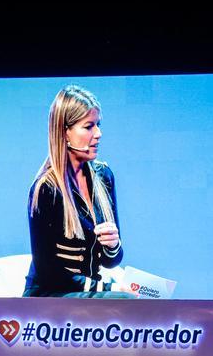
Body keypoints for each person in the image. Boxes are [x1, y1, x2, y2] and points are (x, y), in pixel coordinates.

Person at [24, 85, 136, 298]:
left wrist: (113, 245)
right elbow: (48, 272)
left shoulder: (104, 177)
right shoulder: (45, 189)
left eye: (98, 125)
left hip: (84, 296)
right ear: (64, 132)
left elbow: (112, 260)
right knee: (125, 301)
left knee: (153, 298)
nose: (98, 134)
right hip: (50, 295)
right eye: (88, 127)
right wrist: (105, 288)